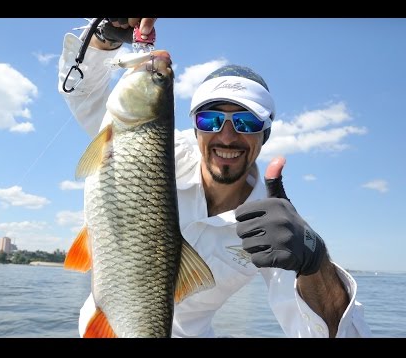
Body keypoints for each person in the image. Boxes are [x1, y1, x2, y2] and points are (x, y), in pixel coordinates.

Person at [57, 18, 372, 338]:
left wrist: (313, 261)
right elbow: (81, 91)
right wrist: (105, 36)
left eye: (246, 123)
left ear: (265, 134)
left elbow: (334, 333)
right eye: (211, 119)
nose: (227, 135)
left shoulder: (274, 224)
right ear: (195, 128)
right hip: (101, 325)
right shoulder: (154, 149)